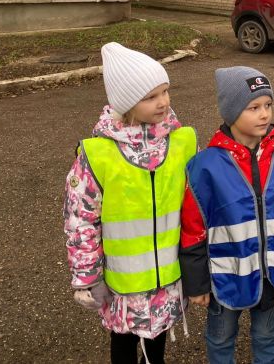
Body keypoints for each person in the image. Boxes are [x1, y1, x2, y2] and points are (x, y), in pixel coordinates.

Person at [64, 42, 197, 364]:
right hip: (121, 284)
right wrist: (87, 276)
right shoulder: (98, 155)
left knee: (158, 346)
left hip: (167, 276)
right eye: (150, 97)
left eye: (165, 92)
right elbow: (80, 218)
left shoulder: (182, 143)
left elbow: (196, 207)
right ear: (126, 102)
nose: (163, 102)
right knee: (123, 344)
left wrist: (199, 264)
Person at [180, 66, 274, 364]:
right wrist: (197, 283)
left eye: (268, 105)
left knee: (268, 339)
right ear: (231, 113)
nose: (264, 114)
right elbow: (194, 228)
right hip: (225, 277)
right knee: (220, 339)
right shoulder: (204, 167)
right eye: (253, 107)